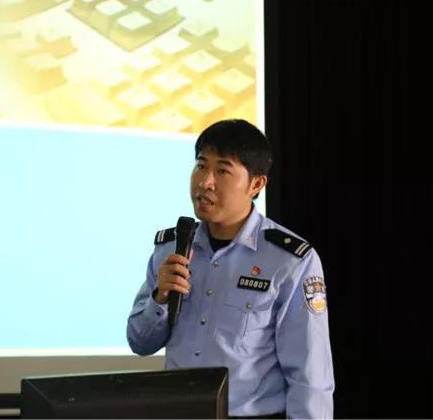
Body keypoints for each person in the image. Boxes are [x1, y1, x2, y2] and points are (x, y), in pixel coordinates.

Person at [127, 119, 334, 419]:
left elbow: (310, 376)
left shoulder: (290, 261)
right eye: (201, 165)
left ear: (256, 184)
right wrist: (160, 298)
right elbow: (140, 342)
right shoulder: (171, 247)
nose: (205, 182)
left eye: (222, 171)